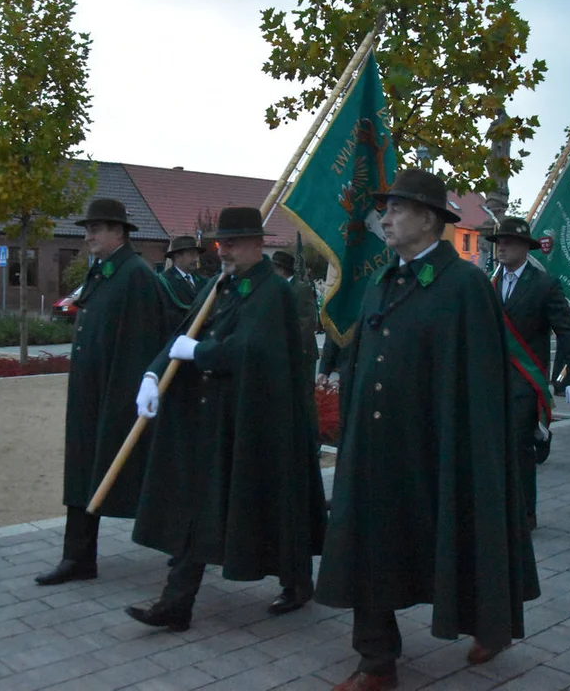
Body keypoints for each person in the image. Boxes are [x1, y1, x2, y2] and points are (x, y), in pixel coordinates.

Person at [316, 169, 538, 690]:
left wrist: (468, 447)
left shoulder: (465, 286)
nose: (385, 219)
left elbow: (480, 381)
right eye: (385, 209)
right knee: (368, 543)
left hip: (440, 447)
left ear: (430, 219)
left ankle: (490, 623)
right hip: (376, 447)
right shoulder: (381, 281)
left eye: (396, 209)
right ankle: (376, 660)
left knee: (459, 534)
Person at [126, 206, 326, 631]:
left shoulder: (273, 293)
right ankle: (176, 602)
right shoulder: (221, 285)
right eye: (221, 243)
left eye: (232, 243)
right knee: (199, 505)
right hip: (213, 420)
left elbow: (251, 350)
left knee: (273, 503)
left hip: (259, 421)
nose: (224, 250)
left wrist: (197, 354)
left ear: (258, 244)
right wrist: (152, 373)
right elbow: (184, 333)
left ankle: (297, 582)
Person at [35, 198, 170, 586]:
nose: (89, 234)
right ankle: (77, 557)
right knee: (81, 474)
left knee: (143, 477)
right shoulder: (103, 271)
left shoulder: (136, 276)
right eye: (87, 228)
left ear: (120, 232)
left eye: (98, 227)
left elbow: (142, 345)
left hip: (114, 398)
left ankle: (184, 548)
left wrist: (124, 400)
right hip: (88, 397)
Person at [484, 217, 570, 530]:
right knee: (492, 448)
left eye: (509, 242)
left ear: (525, 248)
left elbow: (567, 331)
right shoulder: (488, 284)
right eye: (499, 242)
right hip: (491, 381)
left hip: (524, 381)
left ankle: (525, 511)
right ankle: (496, 506)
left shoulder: (543, 284)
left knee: (519, 448)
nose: (502, 247)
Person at [272, 250, 319, 384]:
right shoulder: (277, 288)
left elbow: (307, 322)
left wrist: (291, 346)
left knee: (303, 395)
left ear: (281, 269)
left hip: (301, 353)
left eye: (273, 268)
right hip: (283, 353)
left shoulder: (300, 288)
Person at [159, 235, 207, 330]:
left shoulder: (203, 281)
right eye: (191, 255)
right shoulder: (164, 281)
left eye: (197, 255)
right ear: (177, 256)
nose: (196, 259)